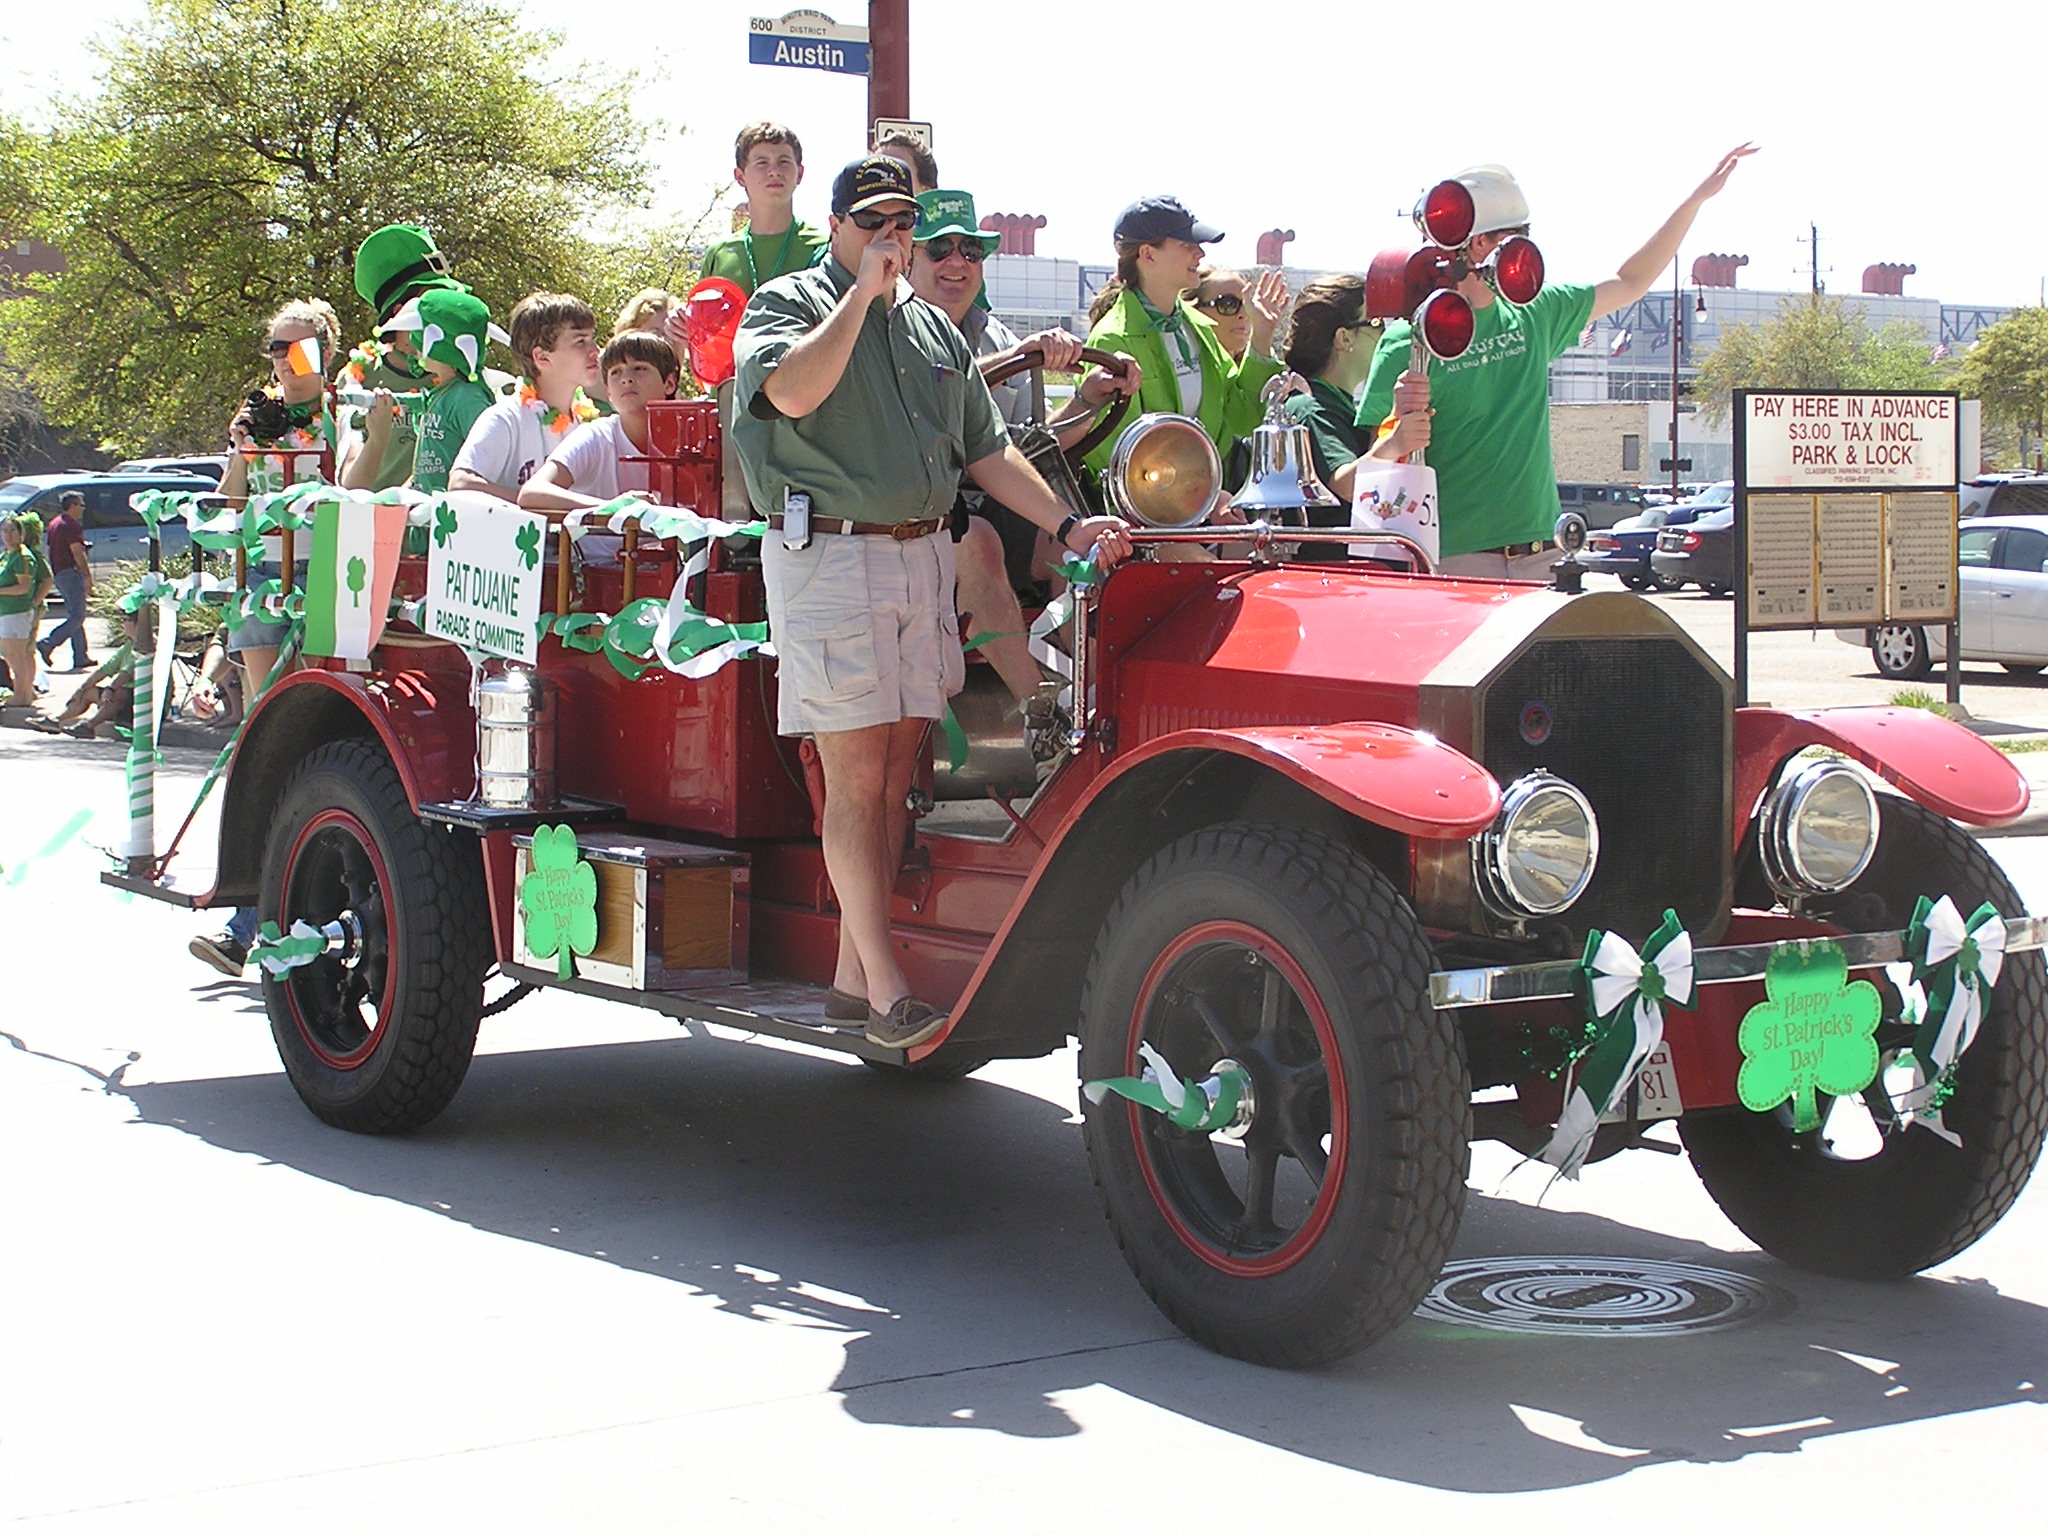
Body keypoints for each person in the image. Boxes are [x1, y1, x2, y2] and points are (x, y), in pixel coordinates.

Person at [730, 154, 1132, 1049]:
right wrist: (859, 299)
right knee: (854, 776)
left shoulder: (933, 332)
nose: (892, 235)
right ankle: (885, 992)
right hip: (829, 554)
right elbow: (790, 390)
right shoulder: (790, 303)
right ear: (835, 226)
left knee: (895, 775)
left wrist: (1068, 528)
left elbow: (986, 452)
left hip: (920, 554)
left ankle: (849, 972)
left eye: (902, 221)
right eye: (873, 218)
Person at [1356, 145, 1757, 578]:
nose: (1521, 252)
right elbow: (1369, 473)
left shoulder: (1536, 312)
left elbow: (1630, 281)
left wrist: (1695, 200)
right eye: (1509, 239)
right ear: (1474, 244)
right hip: (1454, 557)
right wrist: (1398, 424)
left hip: (1542, 550)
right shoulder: (1409, 338)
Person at [905, 187, 1142, 754]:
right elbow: (932, 398)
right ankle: (1049, 720)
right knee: (978, 540)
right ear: (908, 258)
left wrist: (1087, 399)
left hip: (987, 499)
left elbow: (1018, 449)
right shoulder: (893, 331)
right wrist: (1018, 357)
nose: (957, 263)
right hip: (908, 514)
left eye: (971, 250)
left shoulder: (998, 337)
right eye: (940, 250)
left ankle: (1092, 696)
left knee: (1082, 541)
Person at [1082, 196, 1290, 475]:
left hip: (1204, 509)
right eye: (1186, 245)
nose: (1200, 254)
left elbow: (1244, 420)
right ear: (1148, 255)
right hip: (1152, 515)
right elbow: (1116, 459)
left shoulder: (1198, 329)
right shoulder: (1112, 339)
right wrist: (1204, 498)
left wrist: (1262, 335)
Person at [335, 224, 484, 491]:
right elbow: (351, 486)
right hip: (377, 527)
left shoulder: (463, 373)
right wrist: (377, 439)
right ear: (399, 313)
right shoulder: (360, 378)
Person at [1281, 275, 1433, 512]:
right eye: (1376, 324)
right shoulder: (1311, 407)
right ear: (1344, 338)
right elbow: (1346, 483)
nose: (1385, 334)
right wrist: (1396, 443)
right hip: (1326, 550)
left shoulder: (1330, 401)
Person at [452, 293, 602, 500]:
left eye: (592, 339)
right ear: (542, 357)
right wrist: (533, 502)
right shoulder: (506, 418)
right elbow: (461, 484)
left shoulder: (590, 425)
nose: (595, 350)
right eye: (580, 341)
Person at [348, 288, 499, 495]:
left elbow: (489, 461)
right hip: (425, 518)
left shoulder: (467, 398)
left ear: (441, 346)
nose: (413, 346)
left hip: (447, 519)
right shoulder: (440, 393)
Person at [519, 331, 681, 510]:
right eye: (615, 372)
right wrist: (615, 508)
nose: (626, 379)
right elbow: (531, 493)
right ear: (609, 393)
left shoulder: (691, 440)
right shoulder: (596, 436)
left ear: (669, 383)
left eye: (639, 368)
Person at [701, 124, 830, 296]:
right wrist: (679, 321)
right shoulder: (720, 253)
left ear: (799, 174)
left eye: (783, 162)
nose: (774, 171)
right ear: (740, 177)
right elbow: (700, 319)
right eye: (762, 163)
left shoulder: (824, 248)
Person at [31, 611, 137, 739]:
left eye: (127, 620)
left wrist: (110, 689)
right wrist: (81, 689)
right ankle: (55, 721)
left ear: (137, 624)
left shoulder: (147, 647)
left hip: (142, 701)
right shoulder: (128, 646)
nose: (124, 623)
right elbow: (105, 669)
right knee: (88, 692)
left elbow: (127, 673)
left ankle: (88, 726)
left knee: (117, 693)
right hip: (123, 697)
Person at [38, 490, 92, 673]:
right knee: (78, 616)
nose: (82, 509)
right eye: (81, 505)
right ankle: (48, 643)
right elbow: (77, 552)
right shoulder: (71, 525)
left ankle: (80, 656)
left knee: (75, 615)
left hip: (60, 572)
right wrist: (87, 575)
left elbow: (49, 548)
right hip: (71, 573)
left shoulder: (55, 523)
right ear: (73, 505)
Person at [0, 514, 38, 710]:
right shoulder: (7, 555)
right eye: (4, 530)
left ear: (21, 533)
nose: (8, 535)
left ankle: (22, 696)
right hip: (5, 612)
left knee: (16, 655)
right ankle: (24, 691)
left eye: (13, 530)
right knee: (10, 654)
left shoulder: (23, 557)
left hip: (16, 612)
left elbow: (23, 587)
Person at [1191, 265, 1252, 361]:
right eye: (1228, 304)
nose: (1243, 315)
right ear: (1195, 311)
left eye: (1248, 304)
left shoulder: (1259, 369)